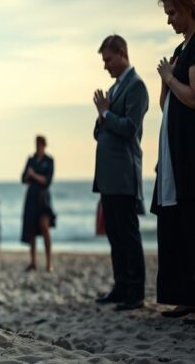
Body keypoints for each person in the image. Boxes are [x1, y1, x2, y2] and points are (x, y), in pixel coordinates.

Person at [91, 34, 149, 311]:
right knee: (114, 232)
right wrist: (102, 115)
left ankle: (135, 292)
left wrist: (106, 114)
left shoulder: (137, 86)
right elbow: (99, 129)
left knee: (127, 232)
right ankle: (121, 286)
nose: (106, 66)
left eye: (108, 59)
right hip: (108, 176)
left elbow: (130, 128)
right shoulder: (114, 89)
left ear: (122, 53)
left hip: (124, 172)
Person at [152, 0, 195, 319]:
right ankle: (186, 295)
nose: (169, 21)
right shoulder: (182, 49)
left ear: (186, 7)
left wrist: (170, 77)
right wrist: (164, 83)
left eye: (172, 13)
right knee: (179, 223)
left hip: (189, 150)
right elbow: (168, 107)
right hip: (174, 150)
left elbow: (193, 97)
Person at [20, 135, 56, 272]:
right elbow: (23, 179)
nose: (38, 146)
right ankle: (33, 261)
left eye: (40, 143)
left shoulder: (49, 160)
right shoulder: (31, 159)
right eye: (36, 143)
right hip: (31, 197)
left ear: (44, 144)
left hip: (43, 198)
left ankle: (49, 262)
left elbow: (47, 180)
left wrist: (33, 175)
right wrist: (30, 176)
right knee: (32, 230)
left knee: (44, 226)